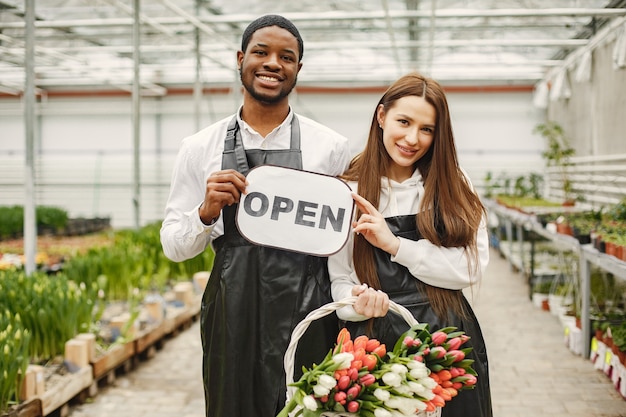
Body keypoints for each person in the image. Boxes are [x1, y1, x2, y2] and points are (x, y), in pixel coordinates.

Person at [160, 14, 351, 417]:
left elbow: (345, 244)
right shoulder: (200, 147)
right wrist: (206, 212)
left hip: (309, 307)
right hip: (233, 310)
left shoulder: (331, 148)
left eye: (286, 57)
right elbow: (173, 245)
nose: (272, 64)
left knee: (307, 407)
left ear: (298, 68)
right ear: (240, 58)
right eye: (261, 52)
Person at [328, 72, 492, 417]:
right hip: (375, 340)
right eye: (404, 121)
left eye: (427, 129)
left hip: (448, 341)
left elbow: (469, 268)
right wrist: (355, 306)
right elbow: (340, 278)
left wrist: (395, 246)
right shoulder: (348, 189)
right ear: (382, 116)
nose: (412, 138)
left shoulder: (454, 185)